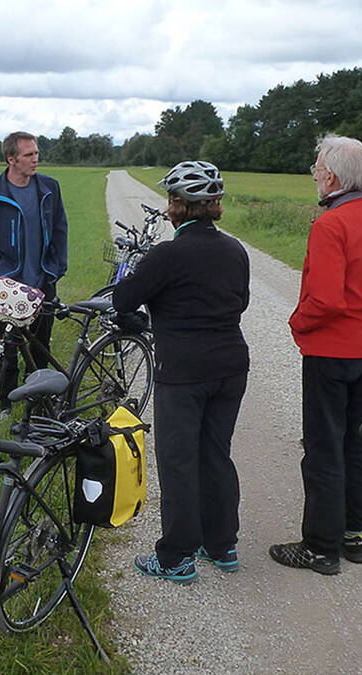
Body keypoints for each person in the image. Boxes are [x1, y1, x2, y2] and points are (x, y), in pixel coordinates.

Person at [269, 135, 362, 574]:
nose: (314, 175)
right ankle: (354, 534)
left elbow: (323, 300)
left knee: (324, 448)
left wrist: (297, 324)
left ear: (331, 175)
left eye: (317, 168)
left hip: (330, 351)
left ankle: (321, 547)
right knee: (360, 444)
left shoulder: (330, 224)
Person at [113, 161, 250, 583]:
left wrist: (143, 316)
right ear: (213, 205)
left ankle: (175, 556)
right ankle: (222, 544)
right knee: (215, 455)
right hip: (230, 366)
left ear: (176, 205)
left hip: (183, 370)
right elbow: (240, 302)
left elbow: (124, 298)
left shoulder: (167, 254)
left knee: (177, 461)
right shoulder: (235, 250)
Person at [0, 132, 68, 420]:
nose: (35, 158)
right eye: (29, 154)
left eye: (36, 153)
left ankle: (38, 403)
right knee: (7, 350)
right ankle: (4, 403)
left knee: (40, 347)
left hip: (43, 281)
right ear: (11, 159)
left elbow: (60, 228)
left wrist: (57, 267)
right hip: (8, 285)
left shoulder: (49, 188)